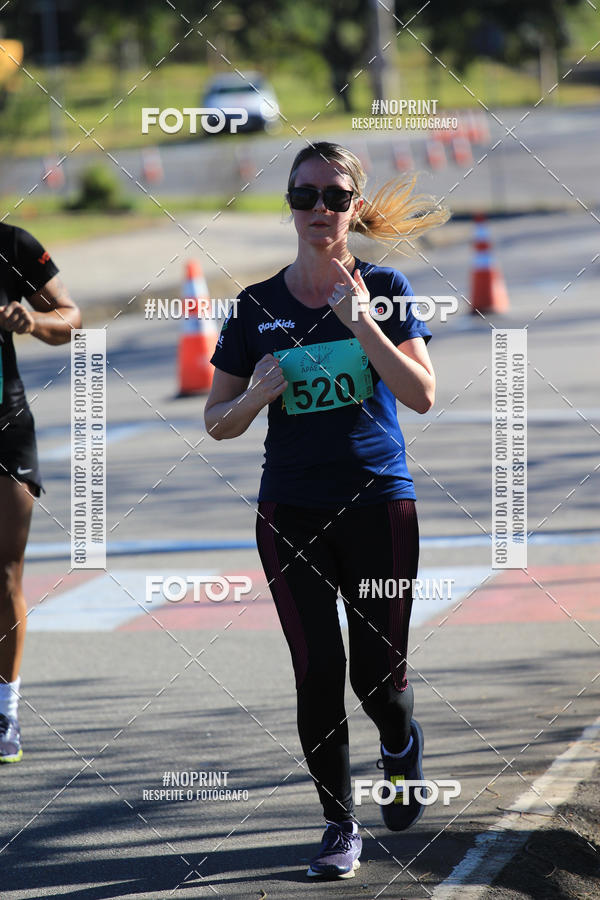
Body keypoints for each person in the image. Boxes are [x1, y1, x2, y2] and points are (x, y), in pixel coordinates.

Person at [204, 142, 448, 879]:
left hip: (379, 504)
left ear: (353, 207)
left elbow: (421, 394)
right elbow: (218, 420)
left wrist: (364, 324)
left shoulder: (386, 284)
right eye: (305, 196)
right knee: (316, 671)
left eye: (334, 197)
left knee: (377, 675)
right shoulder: (256, 306)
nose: (319, 210)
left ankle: (400, 745)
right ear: (289, 204)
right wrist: (254, 396)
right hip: (290, 512)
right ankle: (340, 827)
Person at [0, 224, 81, 763]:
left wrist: (33, 320)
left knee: (4, 574)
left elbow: (70, 319)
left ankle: (5, 709)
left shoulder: (10, 246)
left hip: (3, 428)